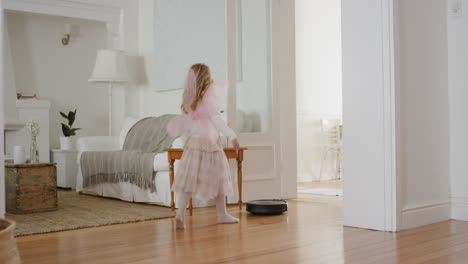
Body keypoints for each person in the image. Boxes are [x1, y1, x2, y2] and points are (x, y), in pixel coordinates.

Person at [167, 63, 240, 229]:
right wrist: (232, 136)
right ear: (206, 78)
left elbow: (186, 125)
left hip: (193, 145)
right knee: (219, 179)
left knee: (188, 181)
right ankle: (222, 213)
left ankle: (180, 214)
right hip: (211, 146)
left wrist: (187, 141)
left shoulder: (188, 99)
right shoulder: (209, 98)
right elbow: (217, 121)